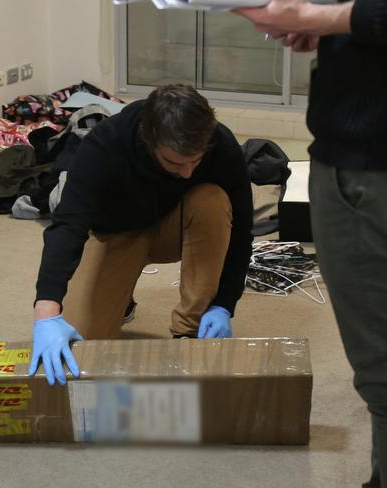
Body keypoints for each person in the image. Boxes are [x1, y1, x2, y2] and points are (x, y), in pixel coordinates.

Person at [235, 1, 387, 486]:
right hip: (357, 153)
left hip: (370, 169)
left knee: (382, 371)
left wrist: (314, 18)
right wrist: (338, 33)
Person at [28, 85, 253, 386]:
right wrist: (46, 310)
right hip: (115, 234)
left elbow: (242, 233)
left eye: (195, 162)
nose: (187, 173)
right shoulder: (105, 144)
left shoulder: (220, 144)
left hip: (174, 226)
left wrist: (225, 303)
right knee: (86, 350)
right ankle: (122, 300)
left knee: (213, 201)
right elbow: (68, 226)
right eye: (174, 162)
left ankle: (190, 329)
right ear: (149, 140)